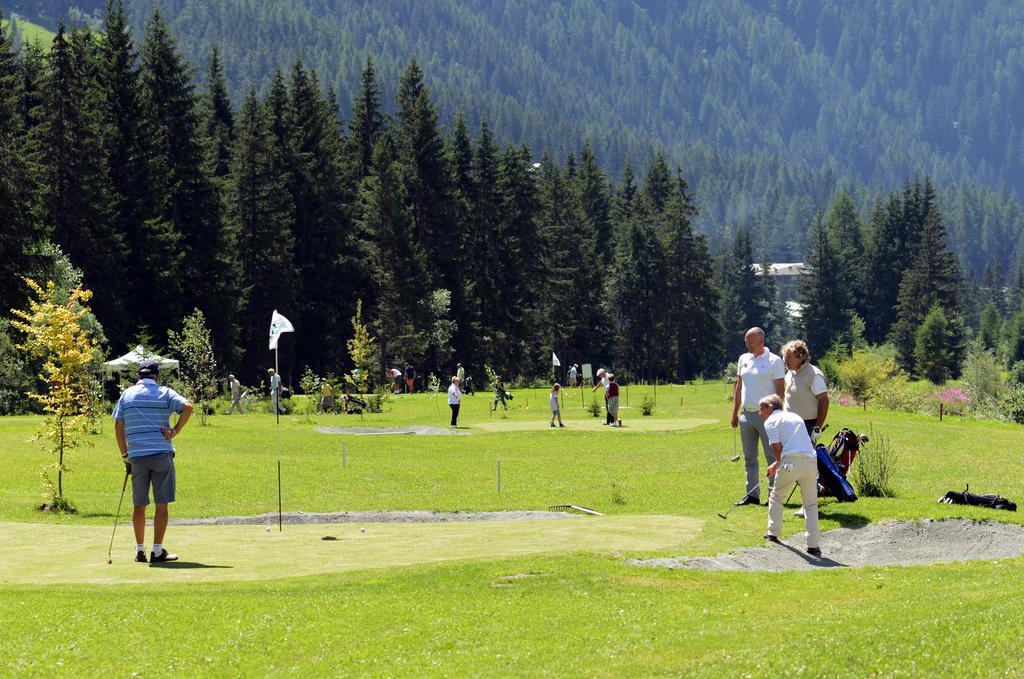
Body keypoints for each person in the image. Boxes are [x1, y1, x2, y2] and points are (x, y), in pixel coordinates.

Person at [113, 359, 193, 563]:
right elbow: (187, 406)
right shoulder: (165, 392)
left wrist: (125, 456)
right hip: (161, 454)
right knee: (161, 504)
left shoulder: (127, 394)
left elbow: (118, 427)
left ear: (138, 376)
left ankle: (140, 550)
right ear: (157, 376)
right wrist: (175, 430)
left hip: (137, 457)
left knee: (139, 505)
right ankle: (157, 550)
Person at [759, 394, 822, 557]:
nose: (760, 412)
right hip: (810, 460)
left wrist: (777, 465)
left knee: (776, 496)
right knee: (810, 504)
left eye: (762, 408)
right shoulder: (794, 416)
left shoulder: (770, 422)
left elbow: (777, 449)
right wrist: (776, 464)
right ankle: (813, 545)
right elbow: (793, 444)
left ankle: (772, 533)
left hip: (790, 462)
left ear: (771, 408)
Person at [730, 327, 785, 506]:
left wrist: (777, 414)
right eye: (746, 341)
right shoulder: (743, 359)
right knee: (750, 458)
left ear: (761, 341)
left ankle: (773, 496)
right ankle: (752, 495)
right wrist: (735, 412)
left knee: (772, 456)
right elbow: (739, 387)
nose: (747, 345)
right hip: (746, 414)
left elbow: (780, 390)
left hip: (767, 417)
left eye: (750, 342)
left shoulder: (774, 361)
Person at [781, 339, 829, 440]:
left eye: (789, 357)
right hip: (788, 424)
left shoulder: (814, 374)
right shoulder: (789, 374)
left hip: (807, 426)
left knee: (805, 456)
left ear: (800, 357)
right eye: (785, 357)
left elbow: (824, 400)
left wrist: (817, 428)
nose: (785, 360)